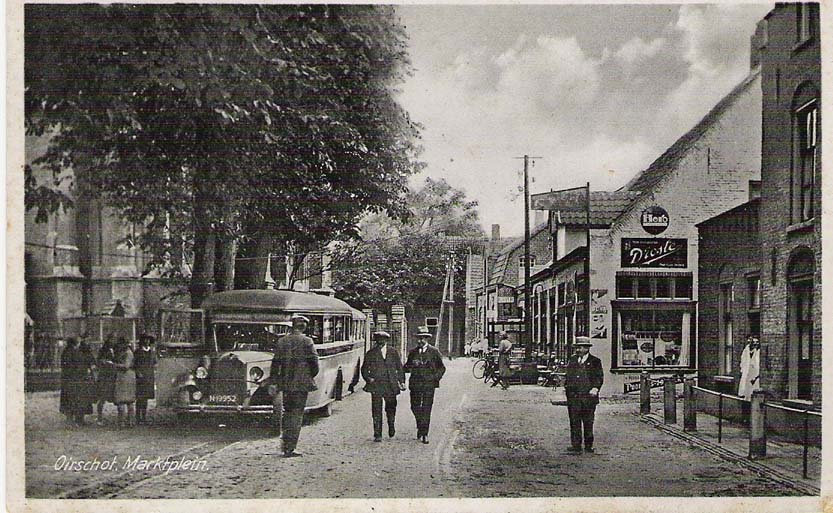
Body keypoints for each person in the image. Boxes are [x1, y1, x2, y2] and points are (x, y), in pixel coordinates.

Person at [268, 314, 319, 457]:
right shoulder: (307, 341)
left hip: (286, 384)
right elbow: (315, 364)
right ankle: (290, 448)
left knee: (287, 413)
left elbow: (275, 363)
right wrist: (308, 376)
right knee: (296, 416)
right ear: (304, 327)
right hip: (301, 385)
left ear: (292, 326)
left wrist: (274, 382)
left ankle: (284, 445)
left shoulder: (282, 341)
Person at [361, 331, 406, 442]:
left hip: (390, 384)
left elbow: (399, 368)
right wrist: (368, 378)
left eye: (382, 340)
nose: (380, 342)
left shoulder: (393, 352)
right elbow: (364, 369)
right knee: (376, 409)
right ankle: (377, 434)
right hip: (376, 385)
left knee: (391, 408)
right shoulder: (371, 353)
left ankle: (391, 425)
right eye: (378, 340)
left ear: (386, 341)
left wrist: (402, 381)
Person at [404, 326, 446, 444]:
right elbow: (406, 367)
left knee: (426, 408)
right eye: (419, 338)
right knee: (414, 407)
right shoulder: (412, 352)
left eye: (423, 338)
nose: (420, 341)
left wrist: (435, 378)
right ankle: (420, 426)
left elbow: (442, 368)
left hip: (428, 385)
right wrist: (411, 365)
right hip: (415, 384)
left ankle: (424, 433)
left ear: (427, 339)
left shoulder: (434, 352)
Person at [564, 336, 604, 454]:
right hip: (574, 396)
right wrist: (567, 388)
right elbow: (569, 375)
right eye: (577, 347)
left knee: (588, 421)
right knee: (574, 421)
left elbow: (599, 377)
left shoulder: (595, 361)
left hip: (588, 396)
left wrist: (595, 388)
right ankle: (576, 445)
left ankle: (588, 445)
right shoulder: (572, 360)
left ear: (587, 348)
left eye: (580, 347)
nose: (578, 350)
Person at [134, 334, 158, 425]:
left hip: (149, 376)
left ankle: (143, 417)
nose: (146, 341)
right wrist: (138, 372)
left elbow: (155, 363)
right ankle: (137, 417)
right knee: (139, 398)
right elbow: (134, 364)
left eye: (148, 340)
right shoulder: (138, 352)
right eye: (145, 340)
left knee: (146, 398)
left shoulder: (152, 352)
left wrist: (153, 370)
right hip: (140, 377)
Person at [113, 337, 137, 428]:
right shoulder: (126, 352)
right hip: (126, 377)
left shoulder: (128, 353)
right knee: (128, 401)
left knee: (123, 400)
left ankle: (126, 422)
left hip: (125, 377)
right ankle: (129, 421)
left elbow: (126, 366)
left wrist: (114, 365)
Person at [95, 336, 117, 426]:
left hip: (113, 375)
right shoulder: (103, 350)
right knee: (102, 397)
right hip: (105, 376)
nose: (113, 342)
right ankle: (99, 418)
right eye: (111, 340)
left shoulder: (116, 349)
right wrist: (104, 362)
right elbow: (98, 361)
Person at [738, 335, 761, 401]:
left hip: (755, 374)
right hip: (748, 373)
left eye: (757, 342)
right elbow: (743, 361)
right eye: (754, 342)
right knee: (747, 391)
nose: (755, 344)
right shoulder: (747, 350)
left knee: (754, 391)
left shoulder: (758, 352)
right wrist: (743, 370)